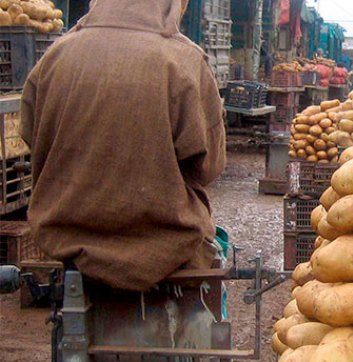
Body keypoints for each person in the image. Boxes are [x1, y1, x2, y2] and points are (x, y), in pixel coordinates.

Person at [20, 0, 226, 291]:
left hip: (65, 242)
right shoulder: (185, 61)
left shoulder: (55, 57)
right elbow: (208, 166)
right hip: (168, 247)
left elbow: (33, 137)